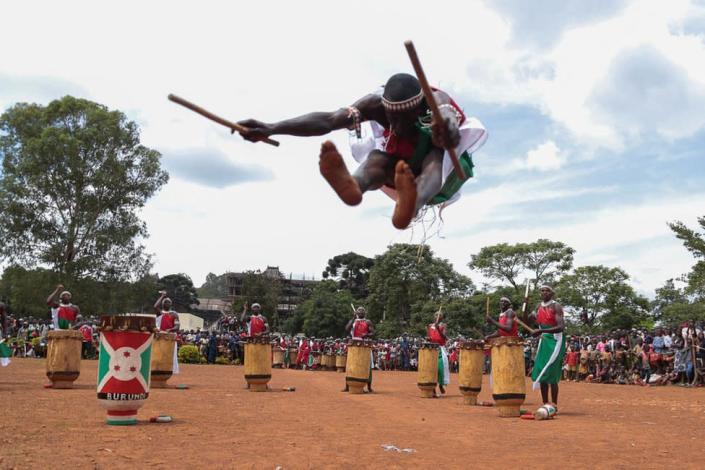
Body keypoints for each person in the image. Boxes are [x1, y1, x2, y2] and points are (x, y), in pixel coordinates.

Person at [236, 73, 488, 229]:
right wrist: (271, 128)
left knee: (435, 158)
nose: (397, 126)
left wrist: (448, 128)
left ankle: (411, 206)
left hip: (444, 176)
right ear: (384, 108)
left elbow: (448, 116)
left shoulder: (435, 101)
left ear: (418, 107)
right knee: (376, 159)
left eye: (405, 119)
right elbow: (328, 120)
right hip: (402, 170)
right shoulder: (372, 104)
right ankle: (354, 187)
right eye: (392, 118)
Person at [524, 285, 566, 410]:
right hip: (544, 340)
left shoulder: (555, 306)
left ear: (551, 293)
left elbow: (561, 326)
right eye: (542, 290)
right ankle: (545, 403)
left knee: (551, 372)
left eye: (546, 290)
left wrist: (541, 331)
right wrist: (525, 306)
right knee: (542, 372)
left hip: (555, 340)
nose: (543, 292)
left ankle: (554, 404)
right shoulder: (538, 306)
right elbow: (527, 320)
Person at [343, 307, 374, 392]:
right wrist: (353, 318)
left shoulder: (368, 321)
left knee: (367, 366)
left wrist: (366, 334)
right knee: (350, 365)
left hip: (364, 345)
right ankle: (347, 386)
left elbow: (372, 332)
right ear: (356, 313)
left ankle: (369, 386)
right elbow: (347, 329)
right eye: (359, 311)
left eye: (362, 311)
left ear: (365, 313)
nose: (360, 312)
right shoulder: (353, 321)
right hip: (353, 346)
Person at [154, 291, 181, 374]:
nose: (167, 303)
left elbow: (177, 326)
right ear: (162, 304)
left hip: (170, 337)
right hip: (160, 336)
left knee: (170, 355)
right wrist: (162, 296)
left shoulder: (174, 314)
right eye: (165, 302)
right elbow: (155, 306)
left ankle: (169, 371)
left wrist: (170, 330)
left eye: (168, 302)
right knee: (159, 354)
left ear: (171, 304)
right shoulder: (160, 313)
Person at [427, 310, 450, 396]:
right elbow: (429, 337)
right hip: (431, 349)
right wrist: (428, 339)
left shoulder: (443, 326)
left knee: (440, 368)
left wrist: (438, 329)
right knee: (432, 369)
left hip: (440, 349)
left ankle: (440, 385)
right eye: (436, 315)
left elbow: (445, 337)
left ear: (441, 318)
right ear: (434, 317)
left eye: (439, 316)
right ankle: (433, 388)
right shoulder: (429, 326)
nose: (437, 317)